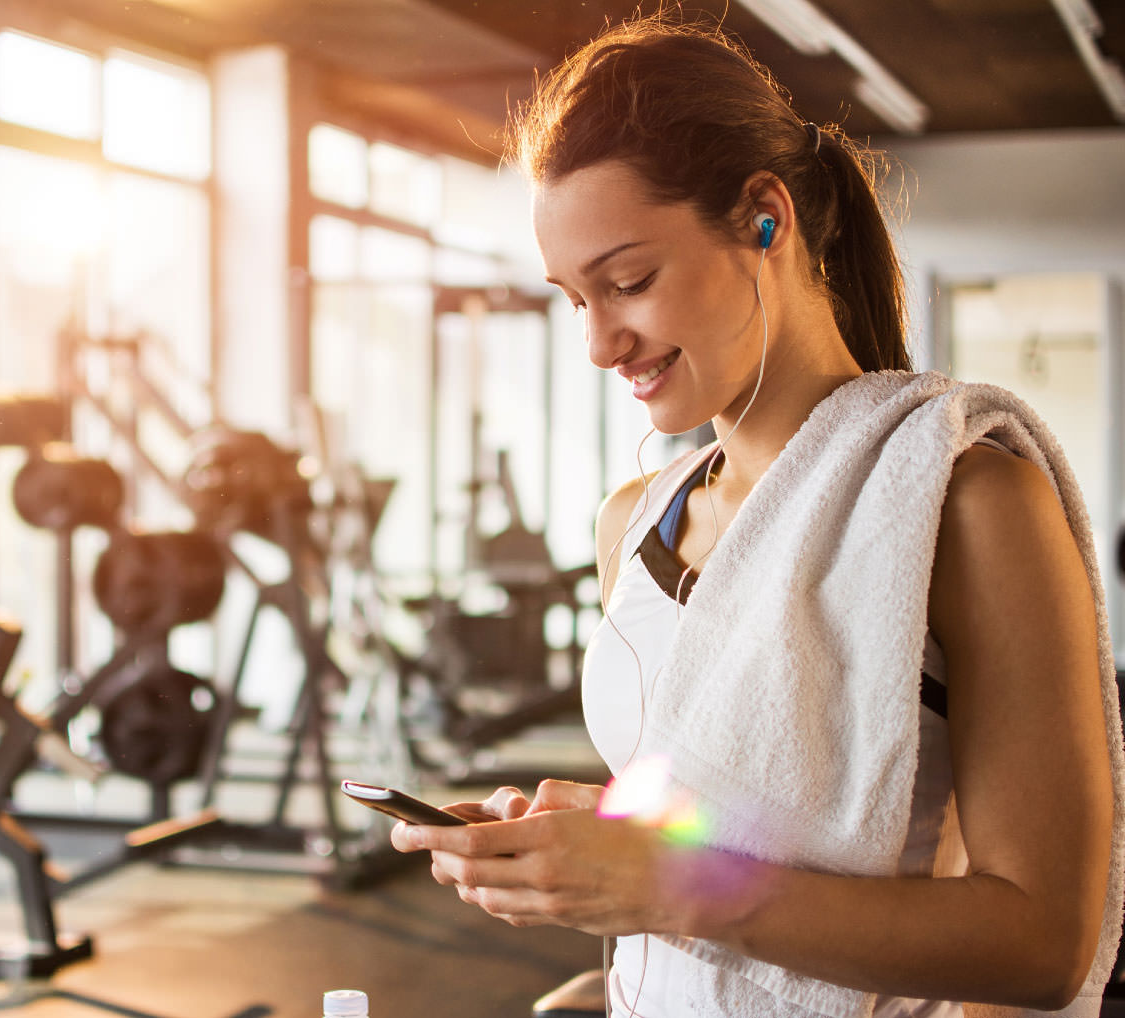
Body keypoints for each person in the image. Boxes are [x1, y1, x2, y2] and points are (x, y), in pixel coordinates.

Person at [390, 15, 1122, 1018]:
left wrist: (664, 884)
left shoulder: (966, 504)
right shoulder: (634, 525)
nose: (601, 342)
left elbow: (1045, 942)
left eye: (629, 280)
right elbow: (704, 815)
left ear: (765, 219)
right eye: (573, 298)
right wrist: (574, 843)